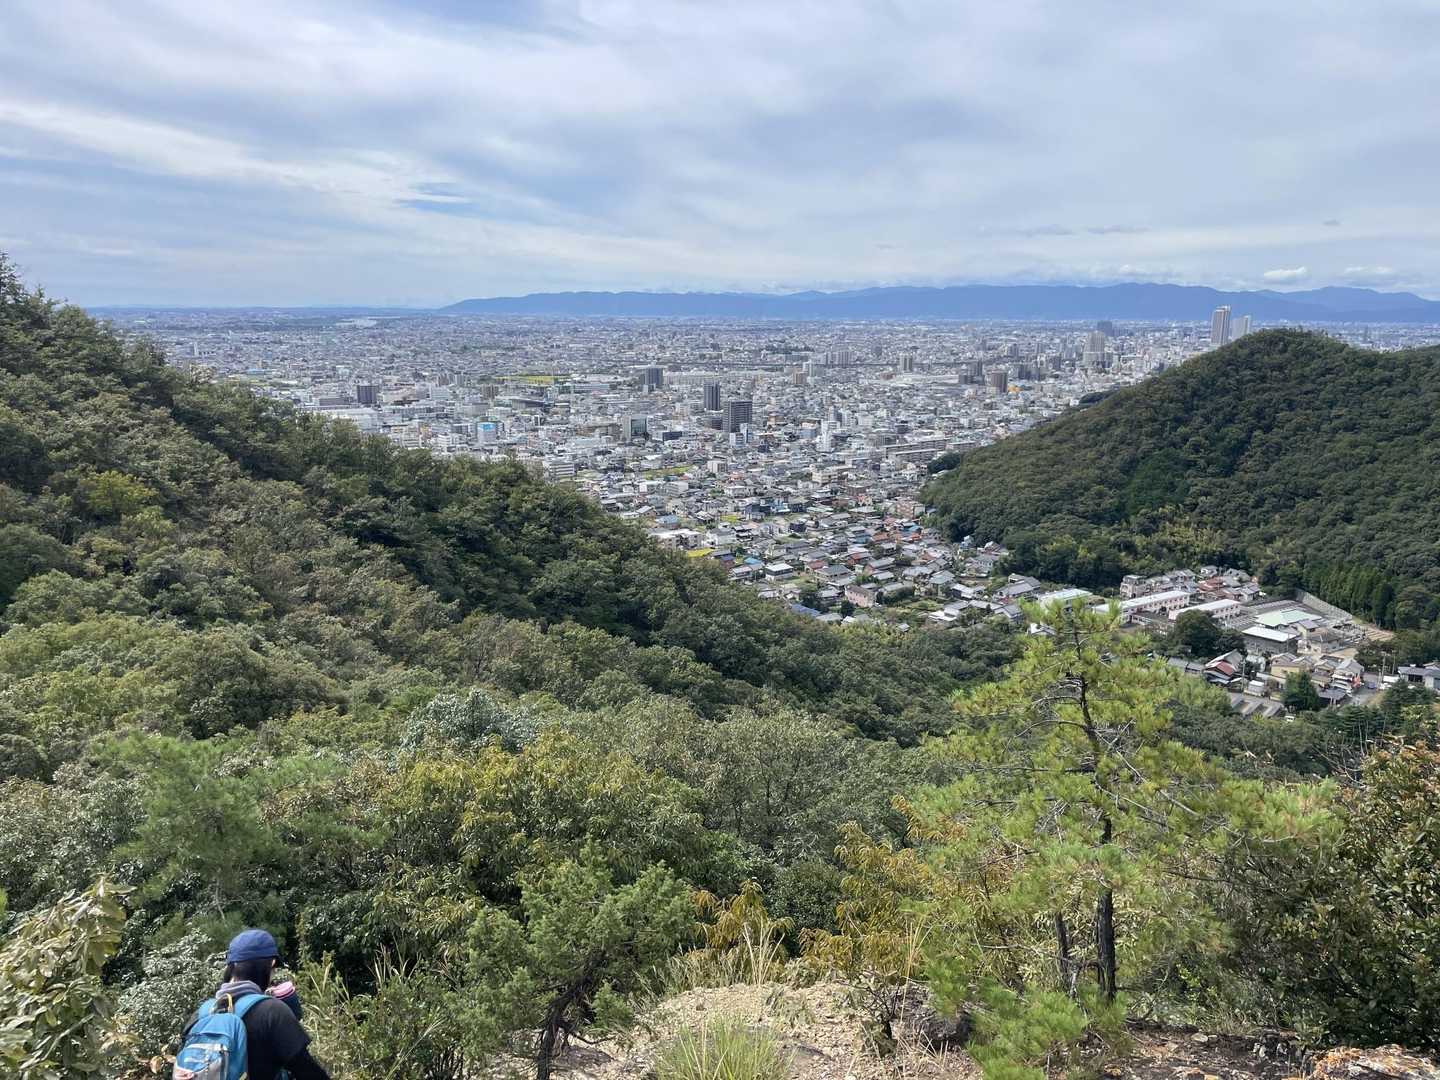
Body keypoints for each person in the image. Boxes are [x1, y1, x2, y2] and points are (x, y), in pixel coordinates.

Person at [180, 929, 331, 1080]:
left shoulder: (202, 1013)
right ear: (271, 963)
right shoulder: (272, 1012)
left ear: (231, 967)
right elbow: (310, 1072)